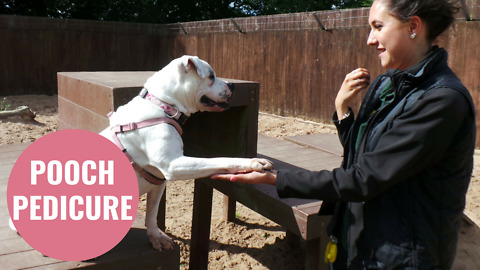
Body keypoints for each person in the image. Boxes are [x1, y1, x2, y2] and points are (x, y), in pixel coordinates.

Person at [212, 0, 476, 268]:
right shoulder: (387, 83)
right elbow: (361, 157)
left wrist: (276, 179)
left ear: (414, 26)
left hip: (402, 256)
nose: (369, 39)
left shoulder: (442, 101)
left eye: (378, 27)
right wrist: (342, 110)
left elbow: (364, 178)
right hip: (363, 239)